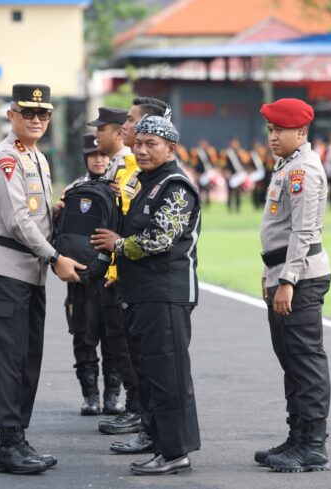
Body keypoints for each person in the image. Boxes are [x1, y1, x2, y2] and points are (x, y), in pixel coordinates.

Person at [0, 83, 85, 475]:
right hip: (5, 270)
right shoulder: (4, 158)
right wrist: (55, 256)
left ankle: (18, 438)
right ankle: (7, 446)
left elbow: (35, 215)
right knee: (8, 360)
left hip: (29, 273)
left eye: (44, 114)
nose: (37, 120)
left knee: (27, 360)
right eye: (29, 113)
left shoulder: (36, 157)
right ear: (12, 116)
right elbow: (17, 220)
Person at [92, 115, 202, 476]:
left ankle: (175, 452)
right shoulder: (143, 182)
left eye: (151, 144)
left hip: (165, 295)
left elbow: (160, 238)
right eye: (138, 143)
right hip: (141, 294)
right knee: (149, 374)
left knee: (167, 375)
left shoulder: (176, 185)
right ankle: (160, 444)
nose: (141, 150)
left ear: (171, 148)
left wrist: (118, 245)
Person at [255, 98, 331, 473]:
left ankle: (313, 446)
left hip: (300, 277)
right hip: (283, 273)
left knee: (305, 360)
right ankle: (297, 436)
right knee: (290, 359)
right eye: (270, 130)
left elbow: (303, 231)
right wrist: (272, 274)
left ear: (300, 132)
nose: (273, 136)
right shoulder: (287, 166)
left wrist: (286, 280)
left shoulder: (303, 171)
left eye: (279, 130)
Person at [100, 96, 171, 454]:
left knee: (150, 361)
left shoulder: (163, 179)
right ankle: (144, 422)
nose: (126, 127)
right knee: (130, 351)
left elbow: (150, 235)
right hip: (128, 275)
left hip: (152, 282)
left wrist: (116, 255)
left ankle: (151, 429)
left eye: (132, 121)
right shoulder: (135, 172)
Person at [62, 133, 126, 416]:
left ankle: (113, 395)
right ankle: (90, 396)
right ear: (85, 158)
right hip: (82, 274)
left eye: (103, 155)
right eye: (93, 155)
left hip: (112, 275)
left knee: (115, 337)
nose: (99, 159)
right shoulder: (72, 190)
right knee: (84, 336)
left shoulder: (121, 187)